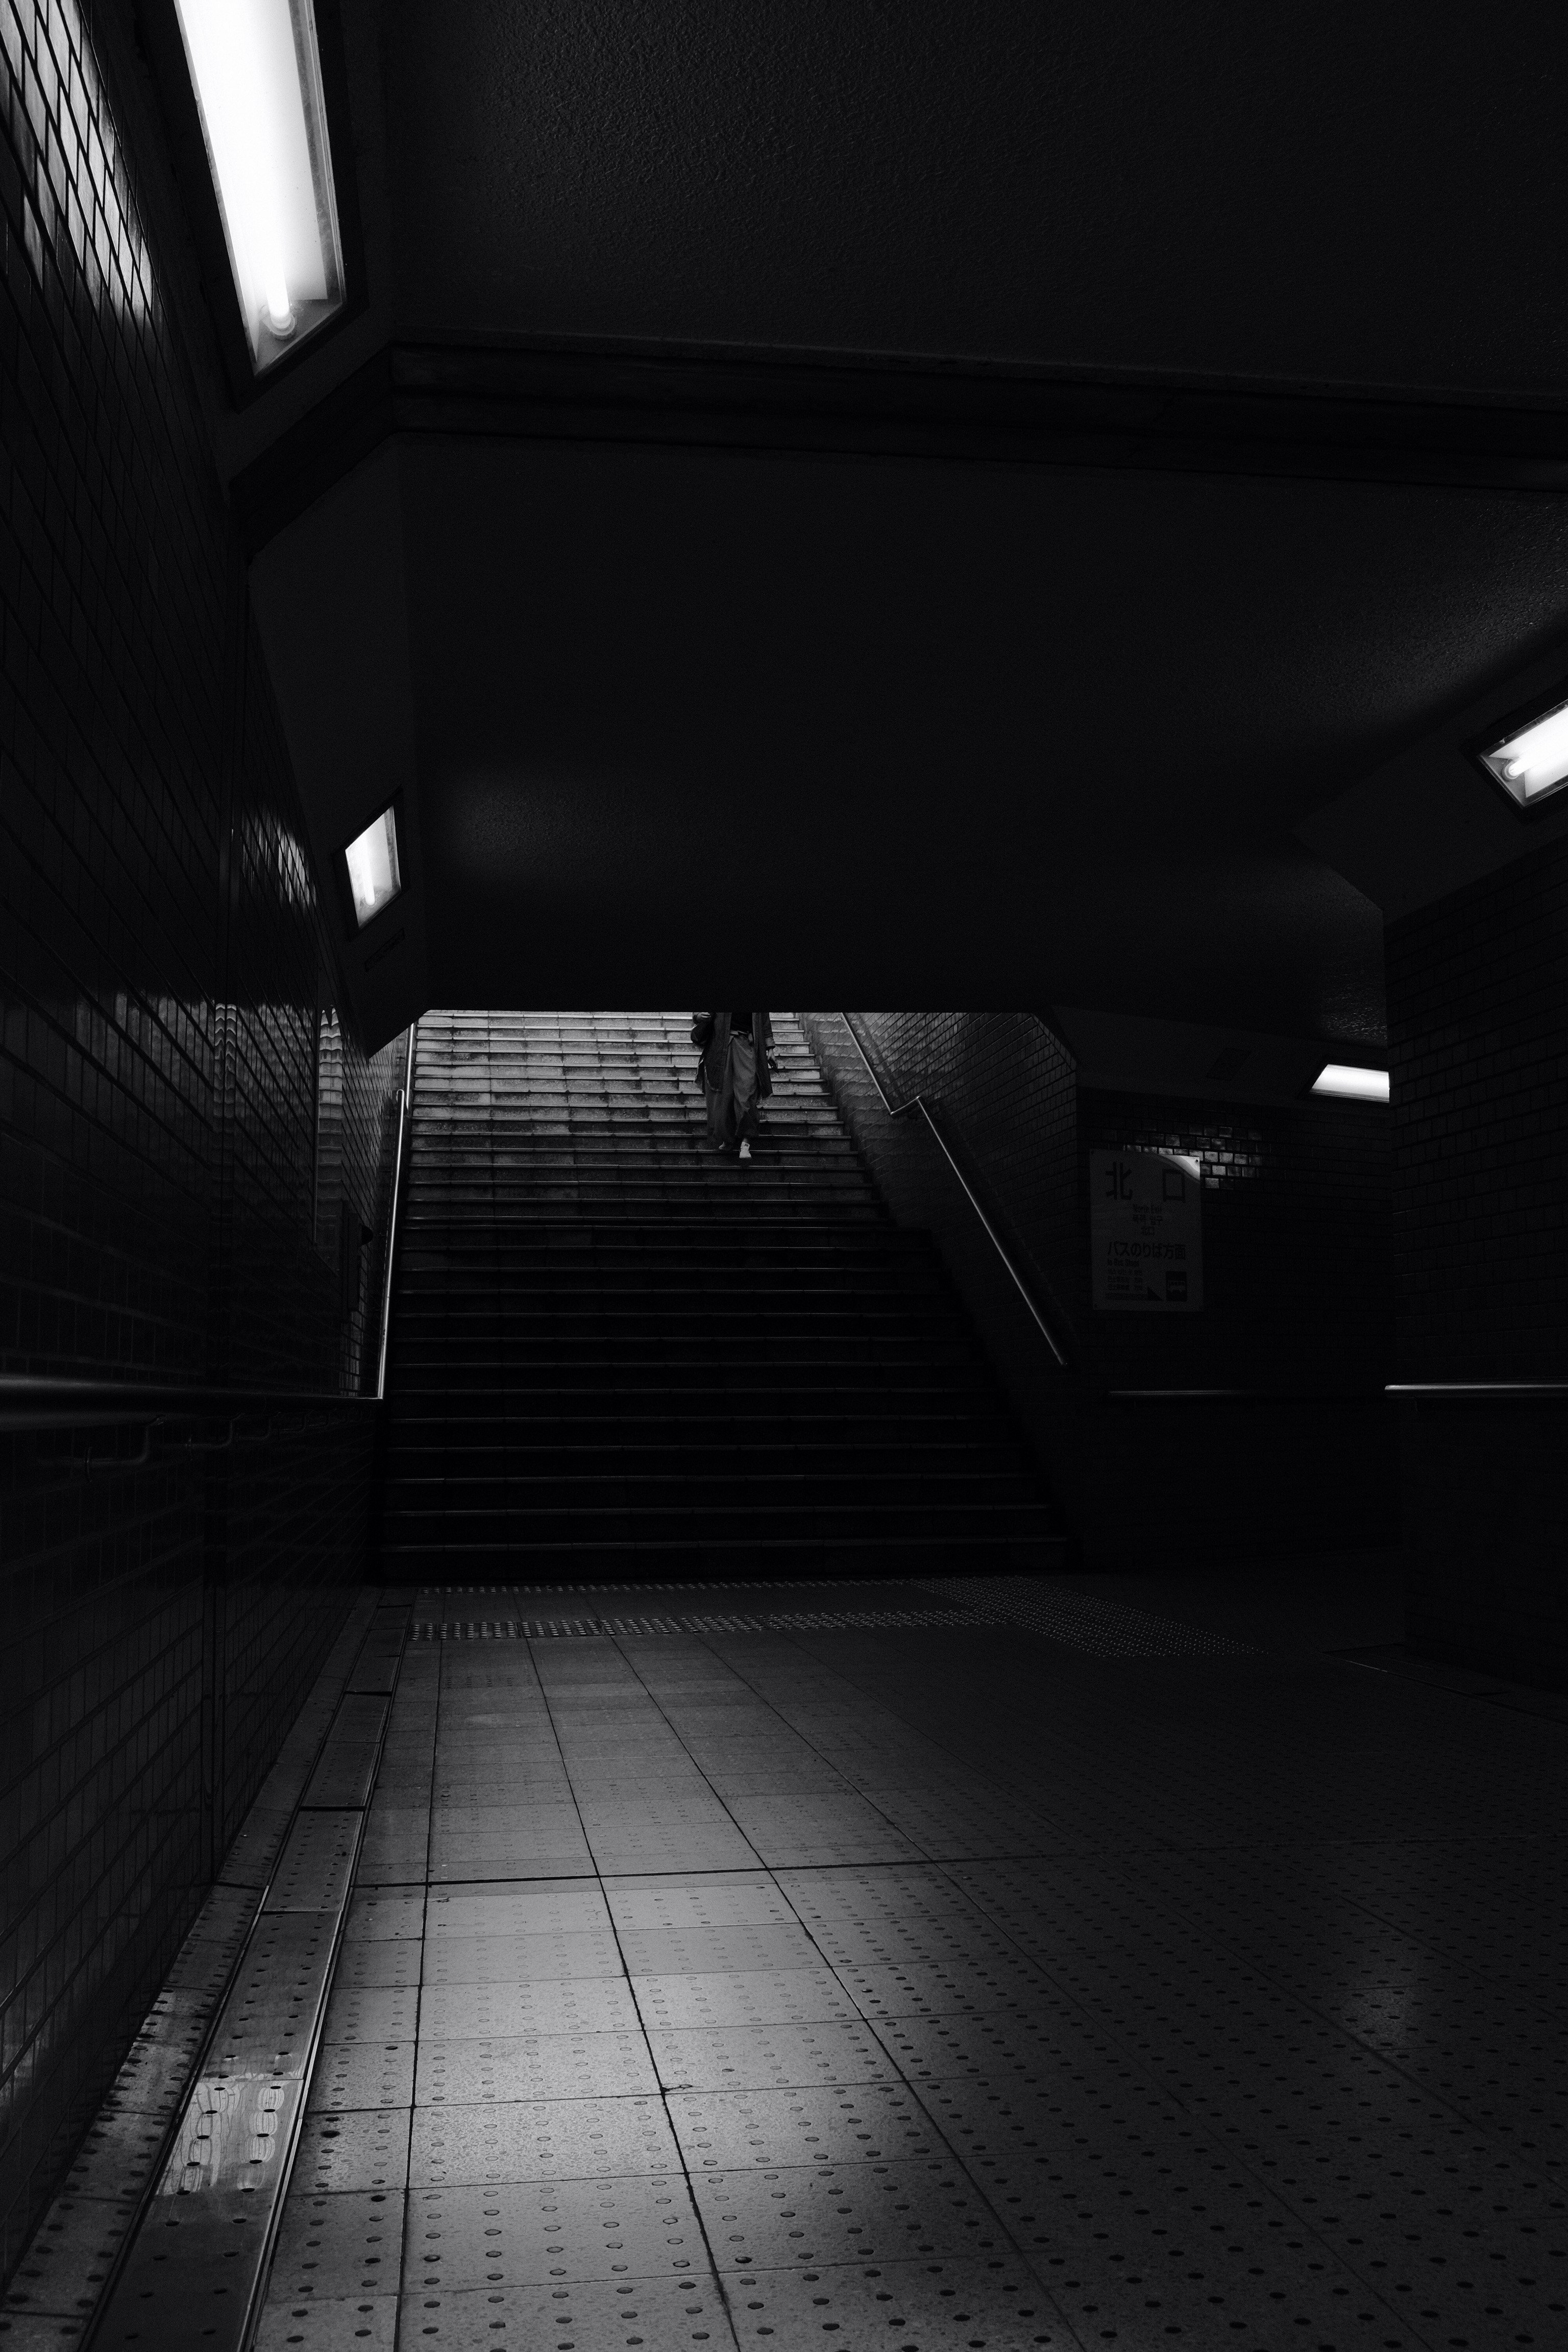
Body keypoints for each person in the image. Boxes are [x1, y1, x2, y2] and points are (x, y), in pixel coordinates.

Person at [697, 1012, 776, 1159]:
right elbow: (700, 1014)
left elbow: (764, 1022)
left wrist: (770, 1048)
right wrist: (698, 1016)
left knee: (747, 1093)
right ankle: (727, 1138)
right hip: (721, 1047)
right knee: (723, 1096)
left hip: (748, 1045)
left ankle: (745, 1142)